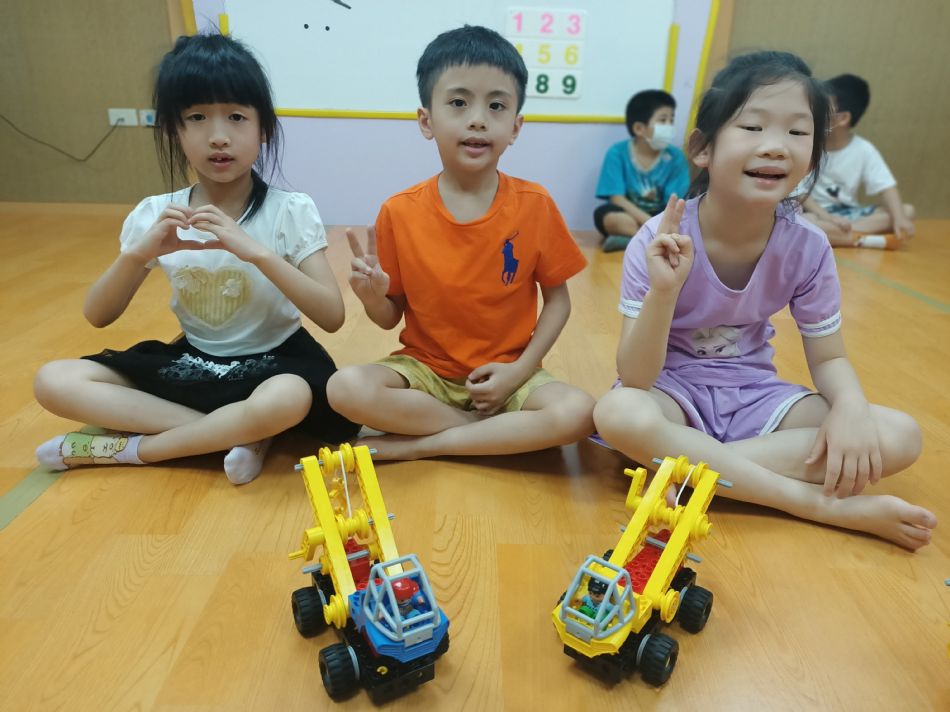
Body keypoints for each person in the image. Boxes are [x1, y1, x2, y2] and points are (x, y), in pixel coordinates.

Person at [592, 52, 936, 551]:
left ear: (813, 157)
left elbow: (830, 358)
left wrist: (851, 408)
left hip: (753, 397)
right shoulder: (658, 238)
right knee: (619, 412)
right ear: (703, 148)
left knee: (899, 435)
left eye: (797, 132)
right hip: (671, 397)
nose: (775, 146)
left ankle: (690, 475)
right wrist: (664, 293)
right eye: (752, 127)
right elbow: (637, 377)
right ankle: (817, 505)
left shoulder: (808, 246)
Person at [32, 33, 358, 484]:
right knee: (53, 380)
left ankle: (136, 451)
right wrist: (138, 255)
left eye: (237, 117)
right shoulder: (155, 212)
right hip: (196, 362)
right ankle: (239, 433)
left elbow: (332, 315)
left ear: (263, 129)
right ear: (173, 130)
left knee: (287, 397)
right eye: (197, 117)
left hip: (274, 364)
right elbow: (98, 315)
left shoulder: (289, 210)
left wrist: (257, 252)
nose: (218, 136)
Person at [326, 25, 595, 461]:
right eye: (458, 102)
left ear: (516, 127)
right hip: (426, 373)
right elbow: (389, 316)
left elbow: (558, 301)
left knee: (579, 413)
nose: (477, 119)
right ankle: (490, 434)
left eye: (496, 106)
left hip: (510, 374)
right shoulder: (399, 211)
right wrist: (371, 296)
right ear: (426, 121)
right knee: (344, 388)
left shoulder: (535, 204)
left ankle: (421, 446)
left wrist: (518, 372)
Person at [800, 74, 915, 249]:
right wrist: (827, 217)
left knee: (906, 211)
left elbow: (886, 186)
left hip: (847, 215)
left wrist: (900, 219)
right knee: (803, 219)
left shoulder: (863, 149)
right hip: (815, 212)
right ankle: (856, 238)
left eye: (823, 107)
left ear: (843, 118)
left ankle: (838, 235)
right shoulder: (808, 144)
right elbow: (799, 193)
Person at [593, 90, 690, 252]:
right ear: (639, 128)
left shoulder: (676, 157)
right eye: (662, 120)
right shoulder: (617, 153)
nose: (669, 126)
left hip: (660, 215)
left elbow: (674, 202)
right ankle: (654, 240)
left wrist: (656, 222)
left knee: (682, 221)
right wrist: (650, 224)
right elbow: (617, 198)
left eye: (671, 120)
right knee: (609, 218)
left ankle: (631, 240)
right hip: (629, 214)